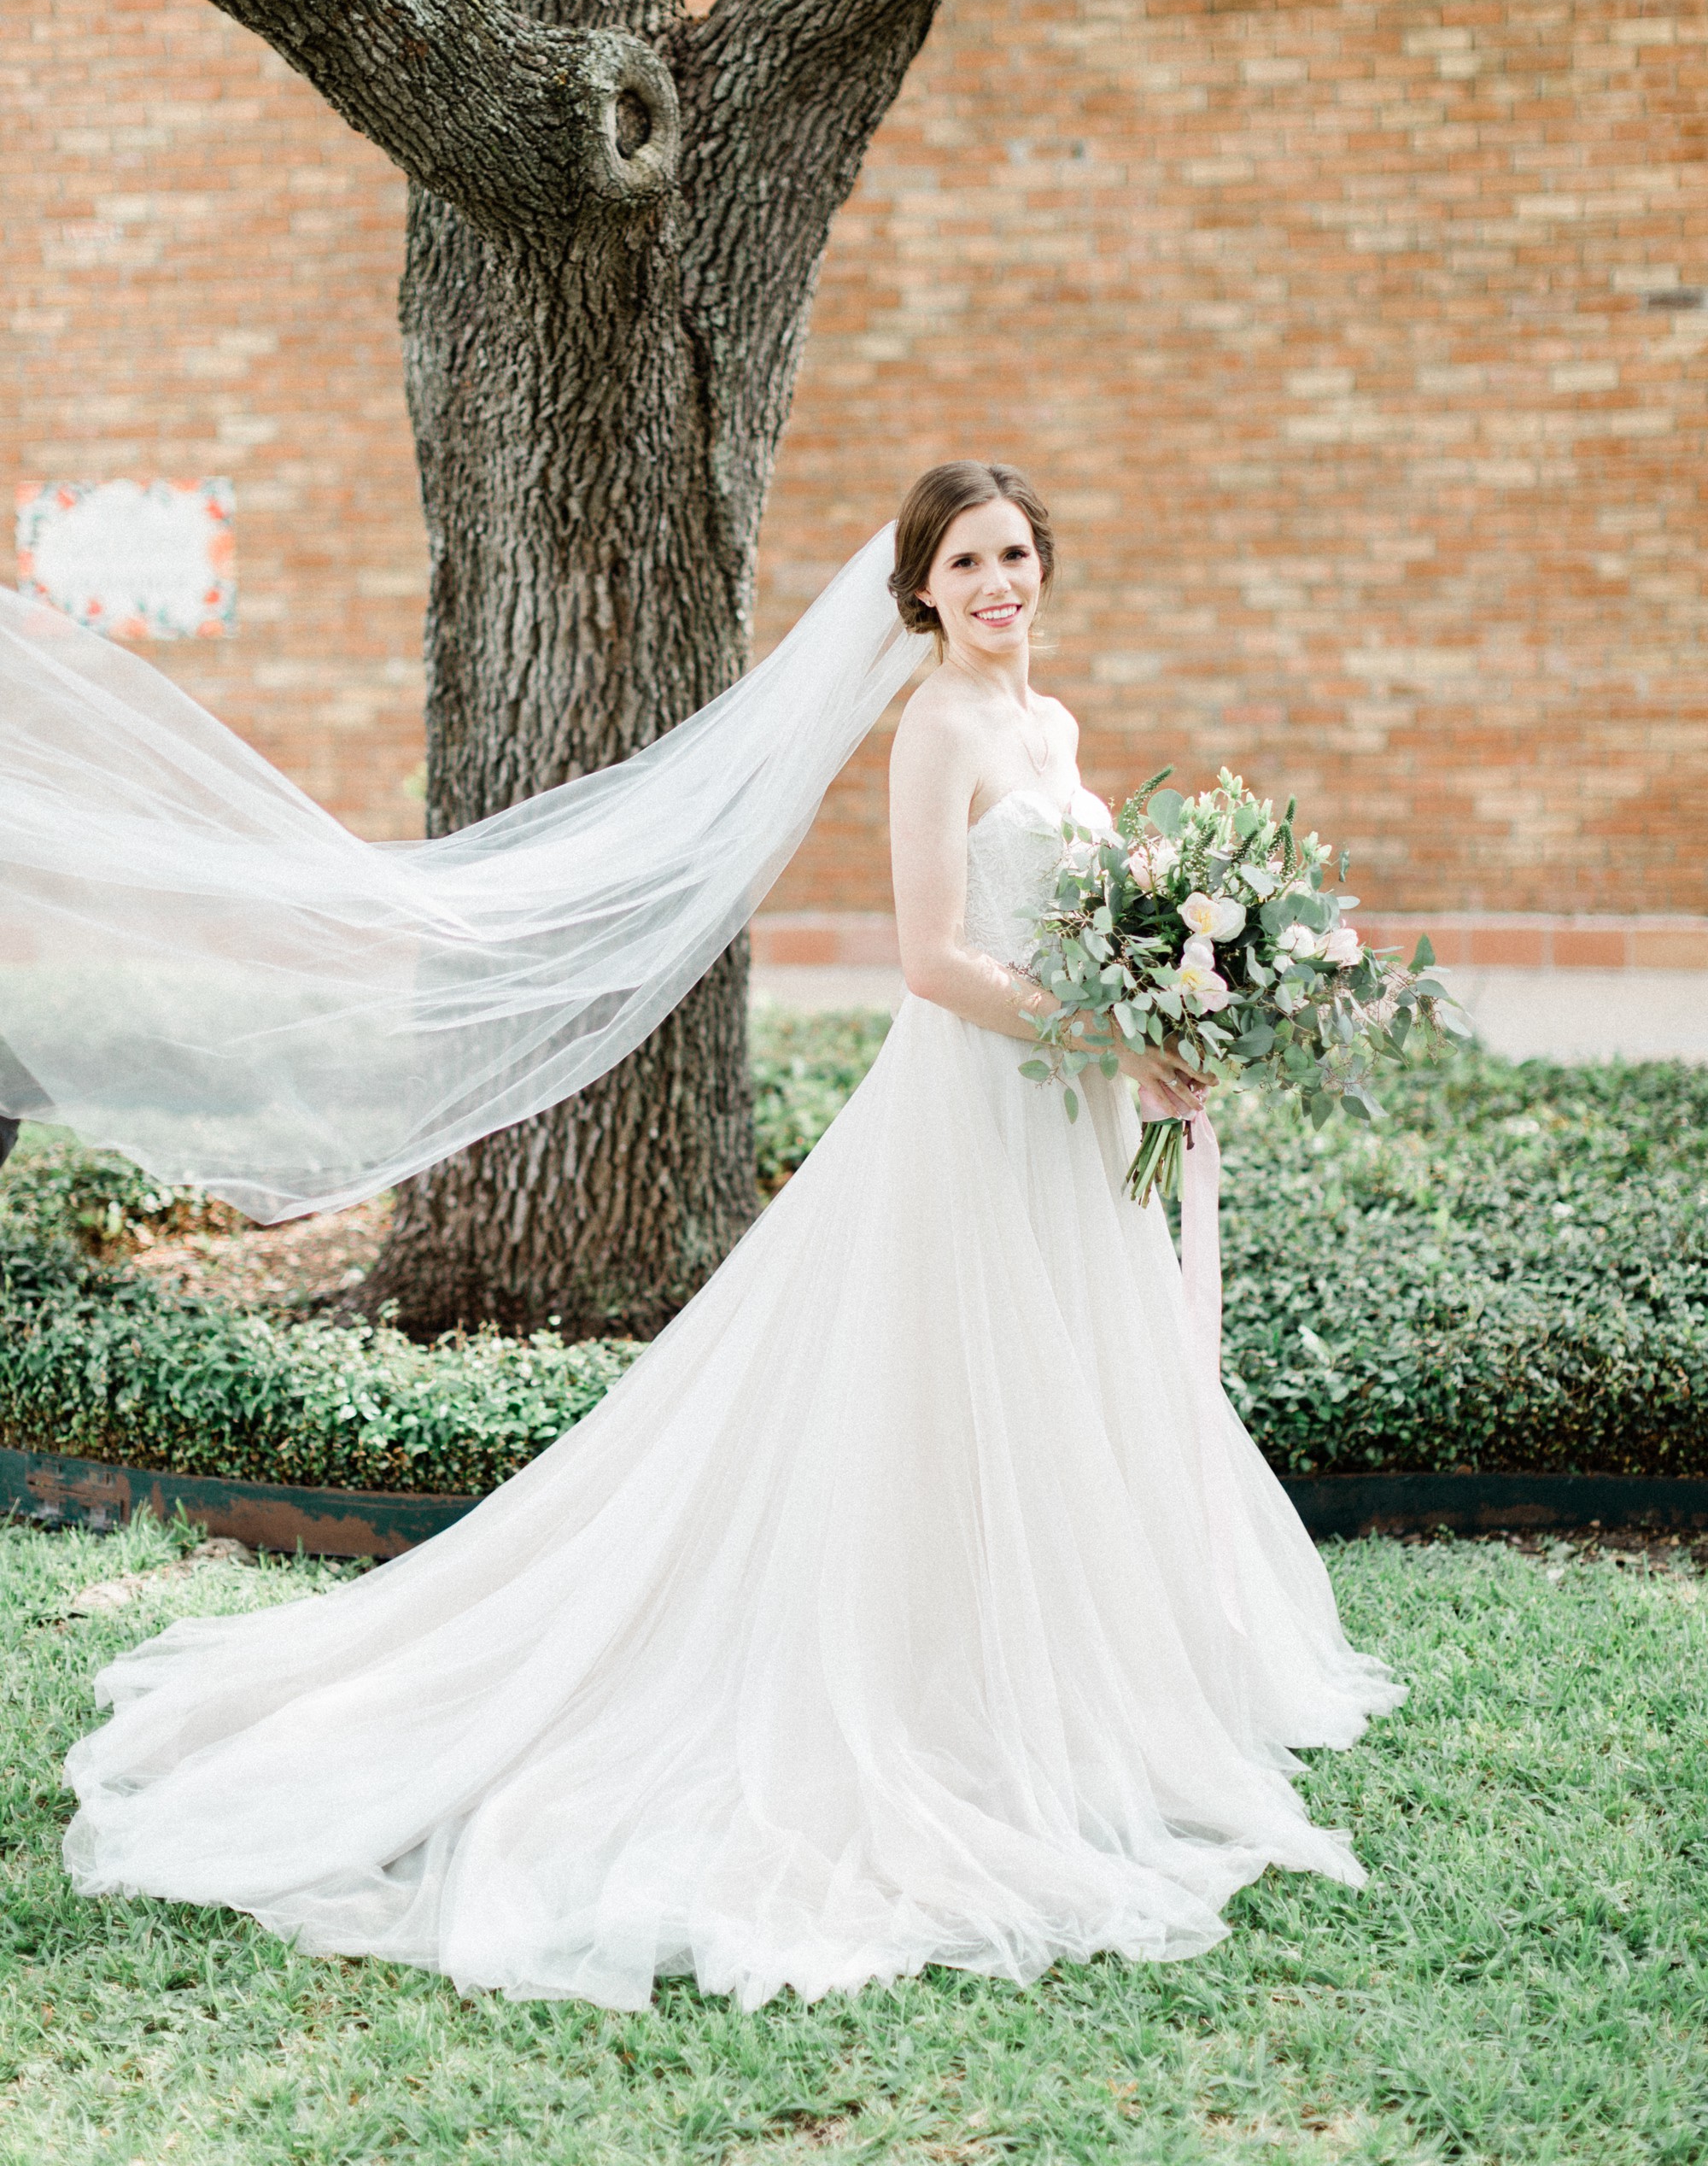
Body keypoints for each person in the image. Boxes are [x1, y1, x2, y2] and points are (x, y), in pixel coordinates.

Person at [59, 463, 1402, 2013]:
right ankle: (929, 1690)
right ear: (919, 592)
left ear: (1047, 568)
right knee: (946, 1376)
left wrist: (1169, 1013)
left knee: (1061, 1370)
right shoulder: (937, 732)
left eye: (1015, 555)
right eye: (964, 563)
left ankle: (1069, 1658)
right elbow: (931, 960)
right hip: (977, 1101)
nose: (995, 584)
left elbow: (1079, 915)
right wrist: (1117, 1030)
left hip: (1070, 1113)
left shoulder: (1055, 728)